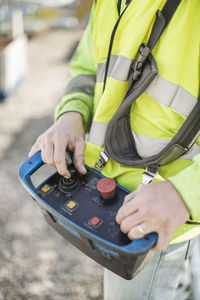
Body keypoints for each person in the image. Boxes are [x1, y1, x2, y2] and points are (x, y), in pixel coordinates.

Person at [29, 0, 200, 299]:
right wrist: (72, 113)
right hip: (116, 198)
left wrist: (187, 193)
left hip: (154, 219)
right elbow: (87, 65)